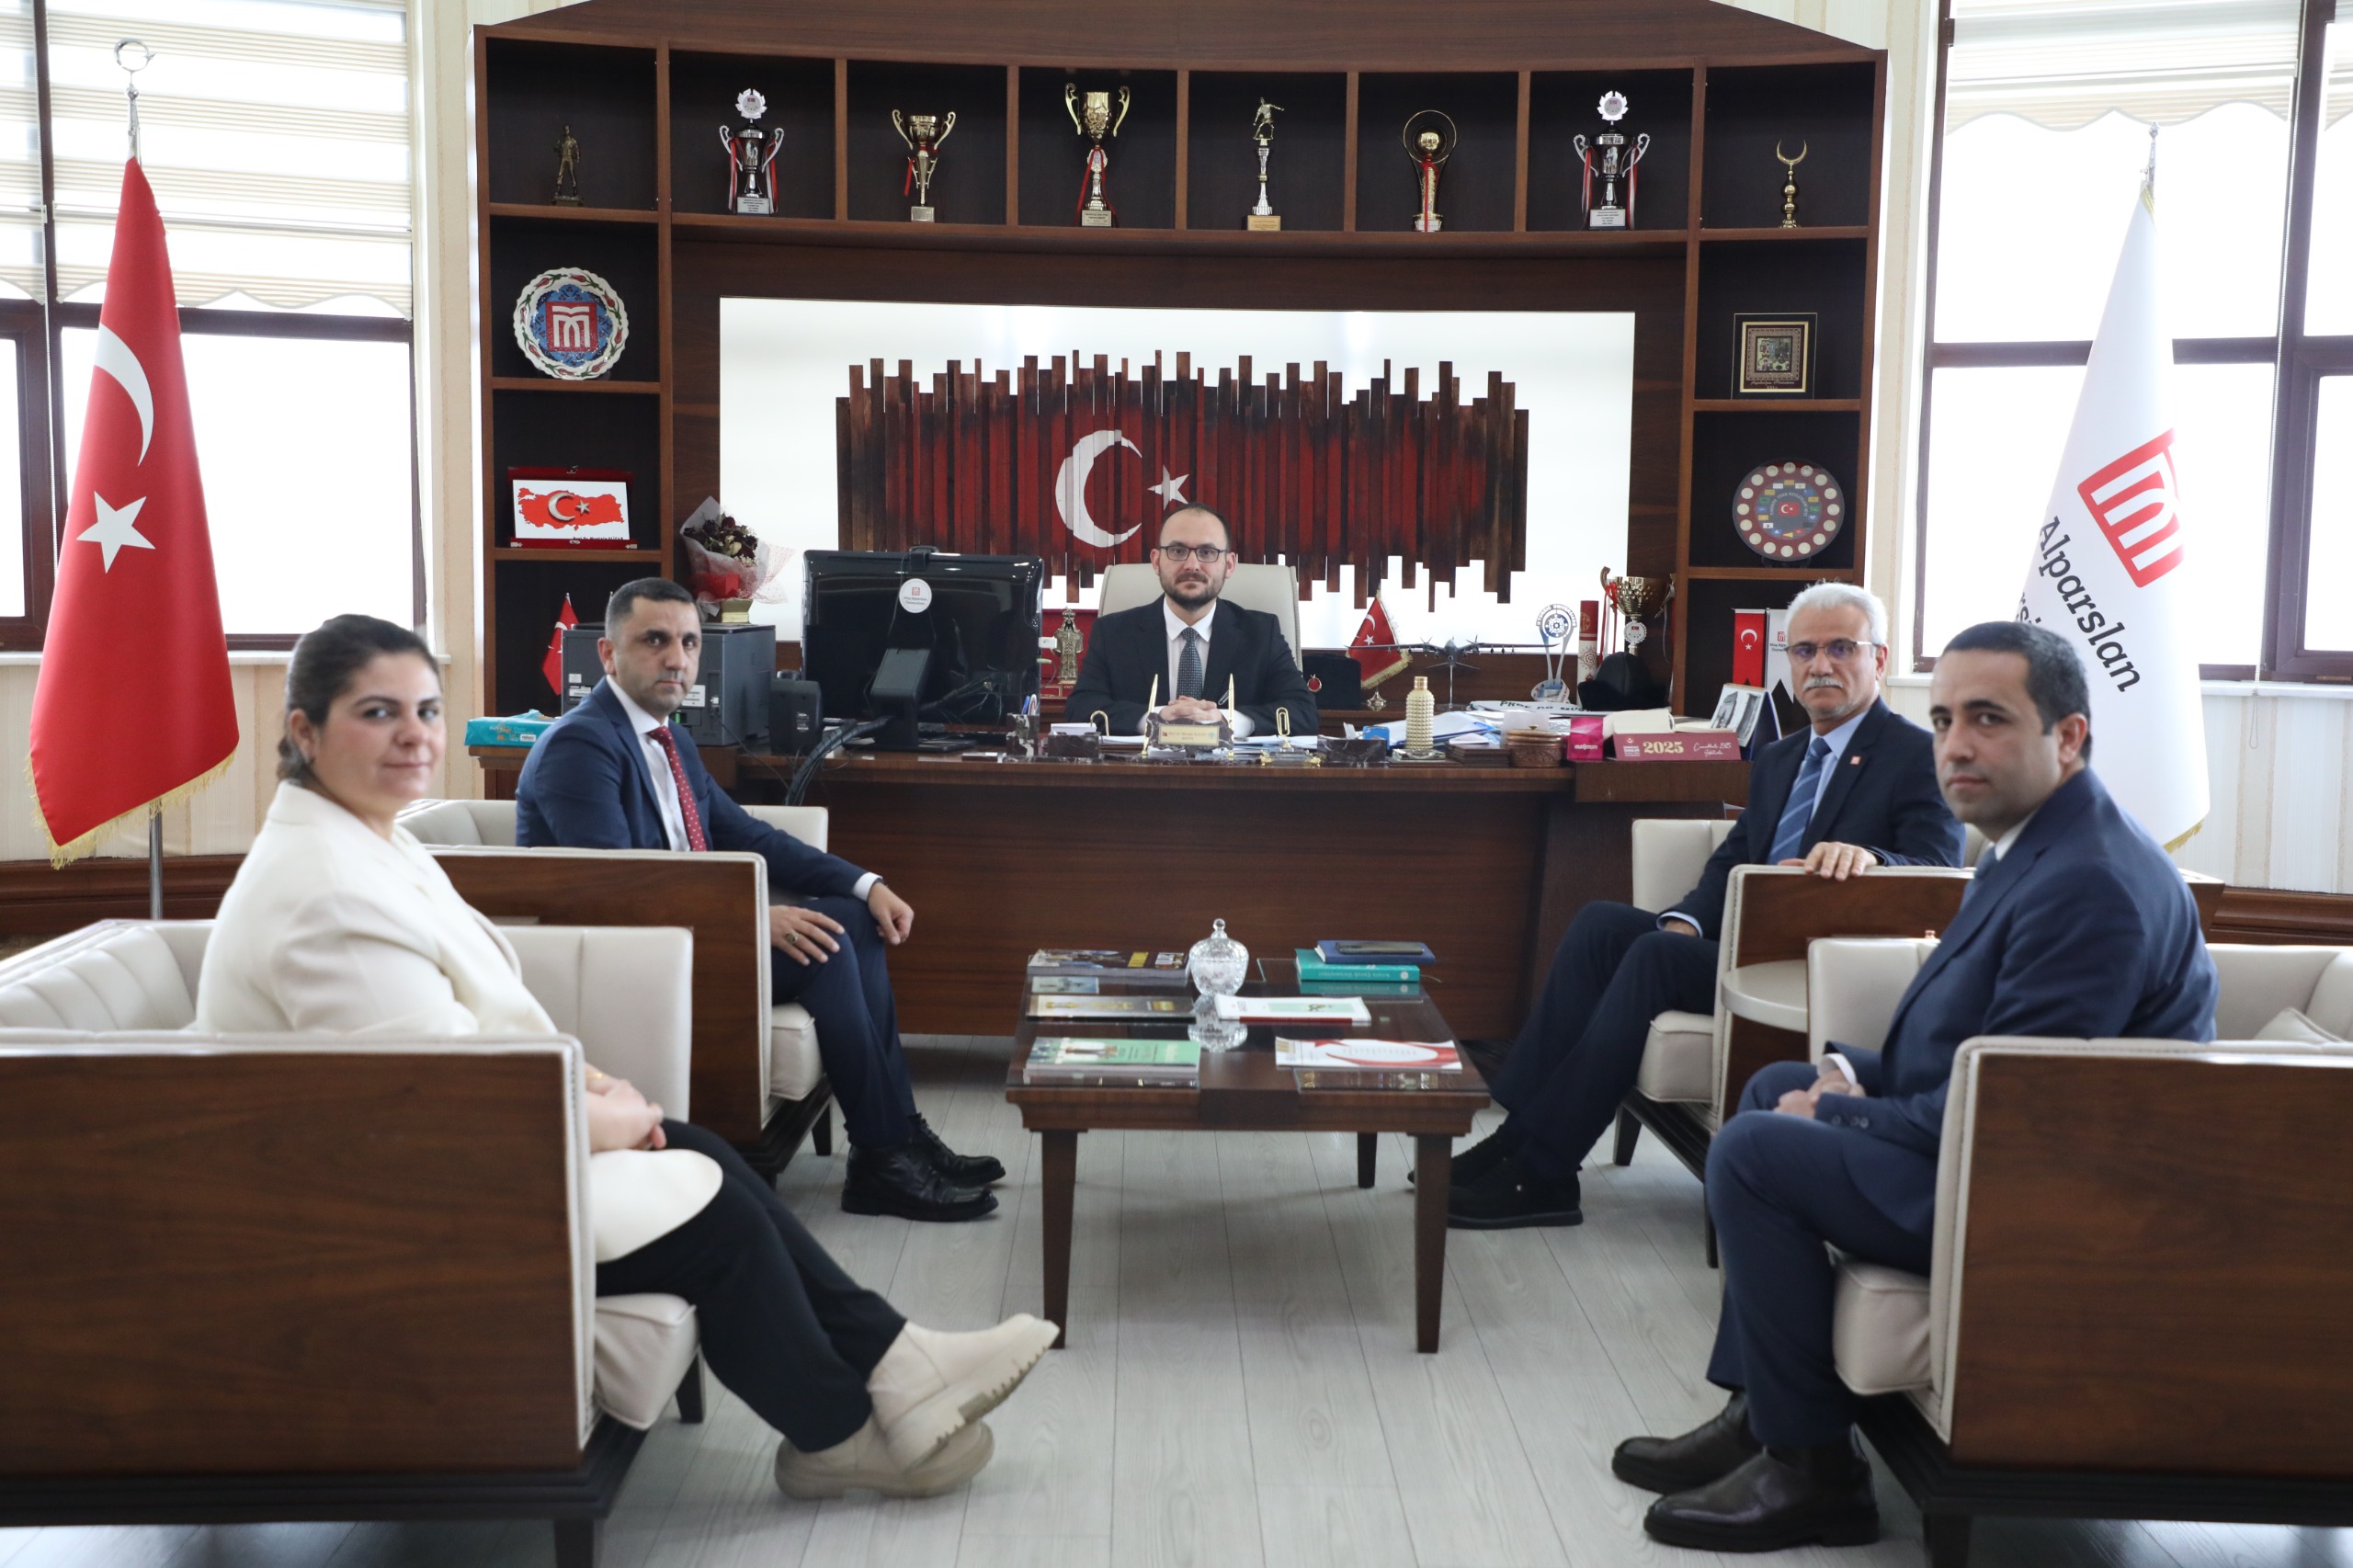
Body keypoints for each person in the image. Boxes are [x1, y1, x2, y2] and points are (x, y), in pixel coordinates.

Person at [196, 614, 1062, 1501]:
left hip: (471, 1138)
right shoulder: (329, 892)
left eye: (426, 710)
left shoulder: (370, 842)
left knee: (707, 1150)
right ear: (305, 731)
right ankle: (841, 1428)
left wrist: (597, 1085)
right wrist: (602, 1115)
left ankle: (895, 1358)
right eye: (378, 713)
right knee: (712, 1217)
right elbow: (442, 1106)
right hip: (397, 1209)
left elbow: (466, 1030)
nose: (414, 735)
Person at [1617, 620, 2217, 1553]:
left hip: (2042, 1198)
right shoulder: (2033, 838)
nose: (1955, 746)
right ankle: (1764, 1411)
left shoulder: (2089, 882)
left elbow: (2016, 1114)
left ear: (2068, 735)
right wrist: (1851, 1074)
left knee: (1755, 1148)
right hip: (1990, 1149)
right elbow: (1977, 1040)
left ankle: (1814, 1469)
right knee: (1775, 1083)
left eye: (1988, 719)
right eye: (1942, 721)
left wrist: (1844, 1110)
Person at [1450, 583, 1965, 1229]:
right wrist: (1687, 918)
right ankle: (1515, 1137)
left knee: (1655, 958)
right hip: (1745, 941)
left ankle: (1546, 1170)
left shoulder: (1918, 756)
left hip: (1818, 962)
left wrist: (1871, 859)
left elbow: (1939, 868)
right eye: (1804, 651)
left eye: (1841, 648)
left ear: (1879, 658)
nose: (1820, 665)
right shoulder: (1781, 756)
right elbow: (1735, 857)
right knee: (1602, 924)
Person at [516, 577, 999, 1224]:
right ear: (608, 654)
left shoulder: (669, 739)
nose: (677, 659)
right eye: (655, 641)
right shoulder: (581, 745)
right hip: (632, 955)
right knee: (826, 947)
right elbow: (618, 888)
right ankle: (883, 1158)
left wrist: (865, 882)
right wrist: (747, 920)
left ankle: (898, 1138)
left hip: (686, 934)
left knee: (855, 920)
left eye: (689, 643)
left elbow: (748, 834)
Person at [1064, 503, 1317, 739]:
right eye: (1178, 551)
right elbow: (1080, 709)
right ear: (1156, 561)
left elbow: (1303, 713)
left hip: (1233, 771)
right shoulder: (1113, 633)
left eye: (1207, 552)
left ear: (1229, 565)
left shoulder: (1261, 634)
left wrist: (1228, 721)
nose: (1192, 565)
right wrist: (1154, 719)